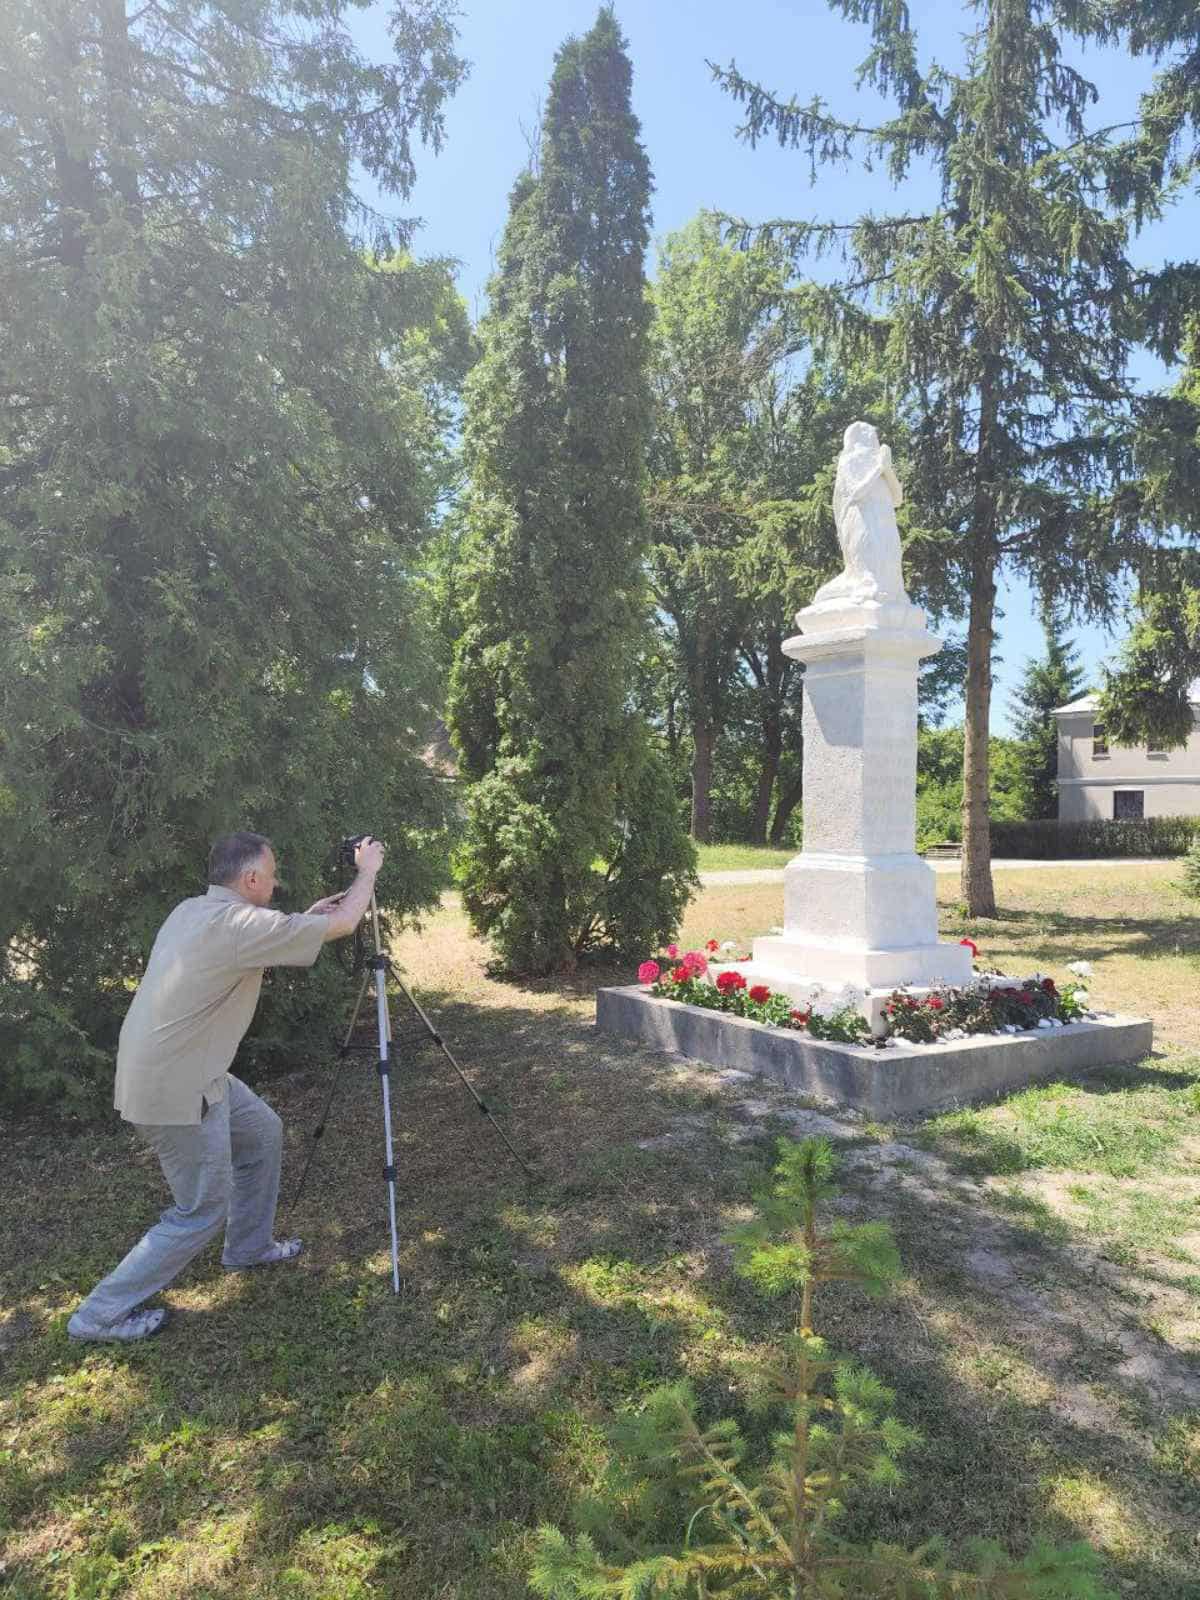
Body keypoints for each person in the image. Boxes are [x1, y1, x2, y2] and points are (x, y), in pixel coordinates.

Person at [67, 831, 385, 1343]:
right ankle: (97, 1315)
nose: (276, 881)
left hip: (188, 1069)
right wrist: (366, 870)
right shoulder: (238, 925)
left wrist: (304, 918)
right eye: (272, 873)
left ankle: (249, 1249)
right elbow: (346, 922)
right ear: (251, 878)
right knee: (199, 1210)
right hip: (178, 1085)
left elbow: (251, 943)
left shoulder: (193, 911)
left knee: (261, 1133)